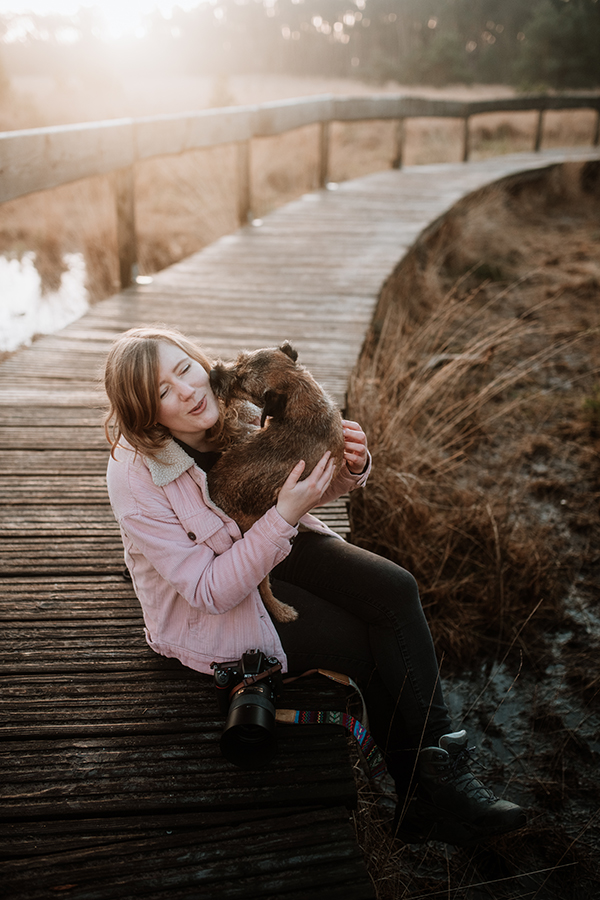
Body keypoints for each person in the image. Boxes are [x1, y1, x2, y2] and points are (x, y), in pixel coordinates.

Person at [104, 324, 526, 845]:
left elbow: (294, 483)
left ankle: (442, 772)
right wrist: (283, 516)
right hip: (218, 605)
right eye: (163, 392)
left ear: (199, 361)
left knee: (396, 589)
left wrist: (351, 467)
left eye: (184, 369)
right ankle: (424, 796)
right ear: (146, 415)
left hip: (274, 542)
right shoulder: (135, 477)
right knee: (364, 644)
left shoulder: (238, 402)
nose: (187, 391)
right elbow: (209, 591)